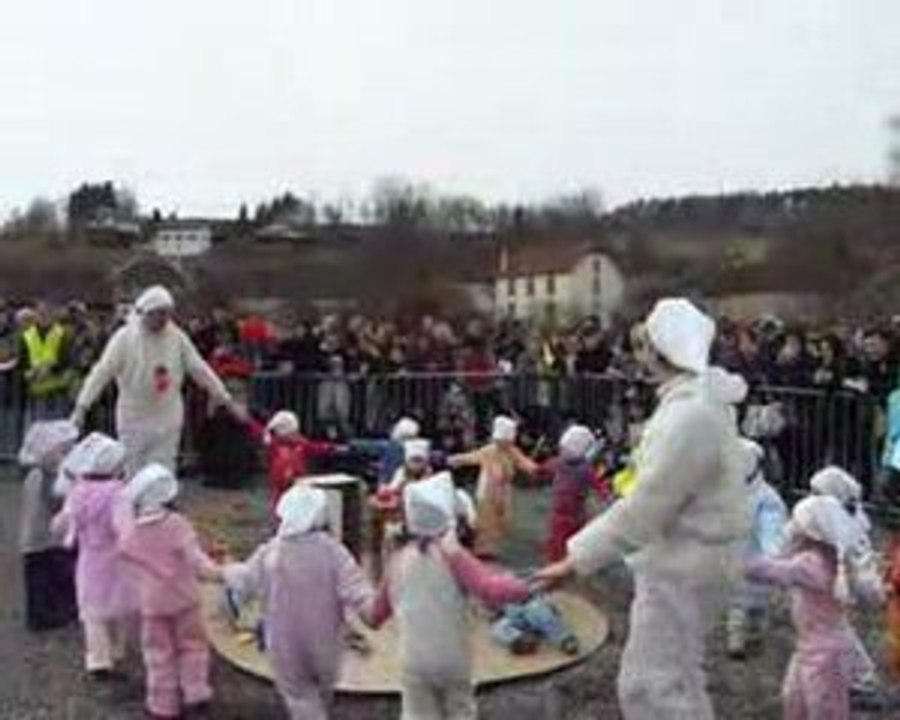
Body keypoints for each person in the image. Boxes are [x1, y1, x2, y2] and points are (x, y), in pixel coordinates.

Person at [534, 298, 748, 720]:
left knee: (652, 687)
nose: (639, 354)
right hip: (687, 557)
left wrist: (576, 559)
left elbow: (649, 503)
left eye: (644, 344)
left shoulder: (690, 416)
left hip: (685, 563)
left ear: (659, 350)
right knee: (674, 678)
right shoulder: (696, 404)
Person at [370, 473, 532, 720]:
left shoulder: (397, 560)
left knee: (416, 713)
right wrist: (530, 585)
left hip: (412, 657)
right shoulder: (453, 555)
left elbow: (376, 614)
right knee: (460, 709)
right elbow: (490, 589)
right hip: (451, 656)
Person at [223, 485, 378, 720]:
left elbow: (244, 580)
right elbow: (357, 591)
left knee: (299, 696)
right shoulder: (333, 551)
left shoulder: (271, 552)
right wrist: (375, 608)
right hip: (326, 642)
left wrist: (223, 571)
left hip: (284, 642)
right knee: (322, 692)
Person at [70, 286, 247, 477]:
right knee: (134, 471)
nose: (164, 320)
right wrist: (82, 406)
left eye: (167, 314)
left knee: (163, 473)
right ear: (147, 312)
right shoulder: (124, 338)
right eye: (159, 314)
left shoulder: (177, 337)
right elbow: (102, 372)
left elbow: (200, 369)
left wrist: (227, 401)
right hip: (133, 417)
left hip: (167, 416)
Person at [745, 495, 861, 720]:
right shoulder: (828, 557)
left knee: (823, 708)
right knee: (794, 698)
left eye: (796, 523)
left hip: (825, 652)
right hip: (811, 646)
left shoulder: (812, 563)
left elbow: (770, 570)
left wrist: (733, 556)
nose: (791, 528)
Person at [118, 464, 220, 720]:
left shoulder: (133, 532)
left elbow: (124, 553)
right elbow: (196, 559)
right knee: (193, 645)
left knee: (157, 653)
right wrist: (218, 573)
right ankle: (196, 691)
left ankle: (162, 704)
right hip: (185, 597)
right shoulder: (176, 524)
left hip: (151, 603)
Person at [50, 433, 134, 678]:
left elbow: (64, 521)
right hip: (116, 557)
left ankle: (98, 658)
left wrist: (61, 530)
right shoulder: (119, 493)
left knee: (92, 612)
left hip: (89, 557)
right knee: (119, 606)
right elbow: (124, 526)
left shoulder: (79, 491)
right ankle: (117, 649)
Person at [809, 466, 884, 698]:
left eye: (817, 493)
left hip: (850, 584)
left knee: (836, 629)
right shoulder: (837, 515)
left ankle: (863, 678)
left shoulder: (842, 521)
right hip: (842, 584)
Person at [727, 438, 788, 659]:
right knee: (739, 601)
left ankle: (753, 636)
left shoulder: (766, 498)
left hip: (754, 554)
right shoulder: (729, 492)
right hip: (737, 552)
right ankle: (738, 639)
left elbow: (771, 529)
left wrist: (773, 554)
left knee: (755, 600)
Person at [447, 415, 540, 559]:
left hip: (504, 489)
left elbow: (523, 462)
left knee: (500, 518)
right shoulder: (489, 450)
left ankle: (492, 545)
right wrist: (456, 459)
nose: (504, 444)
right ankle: (482, 548)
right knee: (486, 519)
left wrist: (536, 469)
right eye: (502, 440)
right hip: (488, 489)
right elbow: (473, 457)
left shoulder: (512, 451)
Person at [18, 419, 80, 631]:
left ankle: (53, 613)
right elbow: (53, 502)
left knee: (51, 577)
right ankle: (43, 616)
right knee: (43, 578)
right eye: (63, 451)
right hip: (43, 539)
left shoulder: (40, 474)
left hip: (44, 538)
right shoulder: (41, 476)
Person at [248, 410, 339, 514]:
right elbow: (256, 429)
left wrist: (333, 448)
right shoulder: (273, 444)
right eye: (291, 433)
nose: (295, 435)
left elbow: (316, 448)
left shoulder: (301, 444)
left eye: (295, 432)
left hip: (299, 485)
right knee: (282, 510)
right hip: (282, 487)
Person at [541, 424, 608, 563]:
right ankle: (563, 563)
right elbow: (599, 486)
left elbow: (541, 470)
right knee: (567, 543)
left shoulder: (562, 463)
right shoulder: (585, 468)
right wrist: (604, 495)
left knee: (560, 543)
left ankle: (558, 564)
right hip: (572, 513)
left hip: (568, 513)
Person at [19, 302, 75, 423]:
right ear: (36, 315)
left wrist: (51, 368)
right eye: (41, 313)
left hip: (57, 390)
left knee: (57, 428)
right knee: (38, 428)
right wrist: (27, 373)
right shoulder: (27, 335)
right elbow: (22, 362)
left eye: (47, 313)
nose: (44, 317)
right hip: (36, 391)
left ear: (53, 315)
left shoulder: (62, 334)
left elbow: (68, 362)